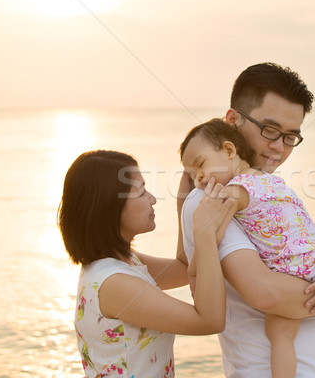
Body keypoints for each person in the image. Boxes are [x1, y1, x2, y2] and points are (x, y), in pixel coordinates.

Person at [177, 62, 315, 377]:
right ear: (233, 120)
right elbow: (264, 292)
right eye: (269, 130)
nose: (278, 147)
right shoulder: (211, 199)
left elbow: (301, 258)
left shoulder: (264, 192)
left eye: (290, 137)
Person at [58, 150, 235, 377]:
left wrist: (183, 202)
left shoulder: (123, 262)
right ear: (109, 207)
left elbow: (183, 268)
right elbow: (209, 321)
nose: (152, 199)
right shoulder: (115, 284)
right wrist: (206, 232)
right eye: (141, 191)